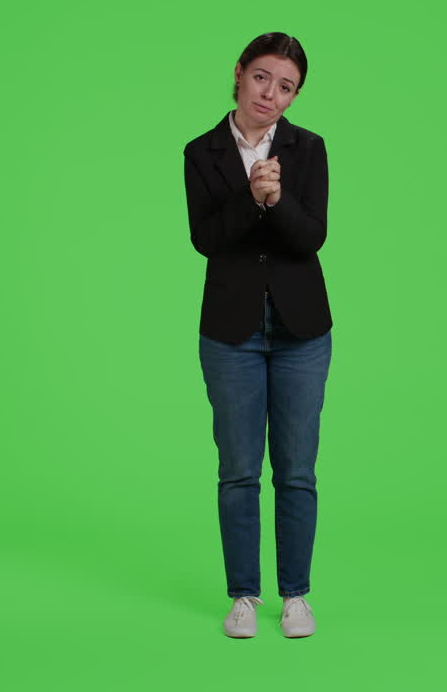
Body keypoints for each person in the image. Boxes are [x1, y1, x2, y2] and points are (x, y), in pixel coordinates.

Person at [183, 32, 331, 639]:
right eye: (263, 77)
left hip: (301, 330)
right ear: (240, 74)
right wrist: (252, 198)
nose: (272, 94)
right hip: (229, 331)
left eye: (287, 86)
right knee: (238, 468)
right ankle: (244, 594)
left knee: (297, 470)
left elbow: (312, 237)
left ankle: (295, 595)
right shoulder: (201, 151)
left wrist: (279, 200)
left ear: (295, 97)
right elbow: (206, 240)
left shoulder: (310, 149)